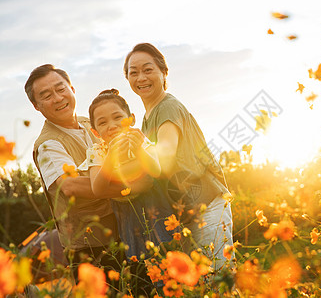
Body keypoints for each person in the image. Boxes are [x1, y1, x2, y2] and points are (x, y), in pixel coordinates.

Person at [123, 43, 234, 269]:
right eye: (133, 72)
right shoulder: (148, 117)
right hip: (186, 212)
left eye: (147, 69)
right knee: (203, 285)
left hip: (206, 204)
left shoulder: (167, 107)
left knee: (219, 282)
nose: (141, 77)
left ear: (163, 72)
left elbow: (164, 157)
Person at [24, 64, 121, 284]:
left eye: (60, 89)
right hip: (90, 248)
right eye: (46, 95)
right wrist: (128, 188)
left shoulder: (92, 123)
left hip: (122, 232)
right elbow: (70, 186)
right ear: (36, 105)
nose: (57, 98)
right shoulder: (48, 144)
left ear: (72, 89)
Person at [80, 88, 174, 258]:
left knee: (168, 248)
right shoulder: (98, 151)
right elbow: (98, 189)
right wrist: (110, 158)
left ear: (131, 119)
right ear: (95, 132)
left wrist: (138, 150)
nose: (112, 126)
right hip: (126, 210)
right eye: (102, 123)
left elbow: (156, 170)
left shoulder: (140, 139)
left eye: (118, 118)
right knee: (141, 258)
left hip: (156, 203)